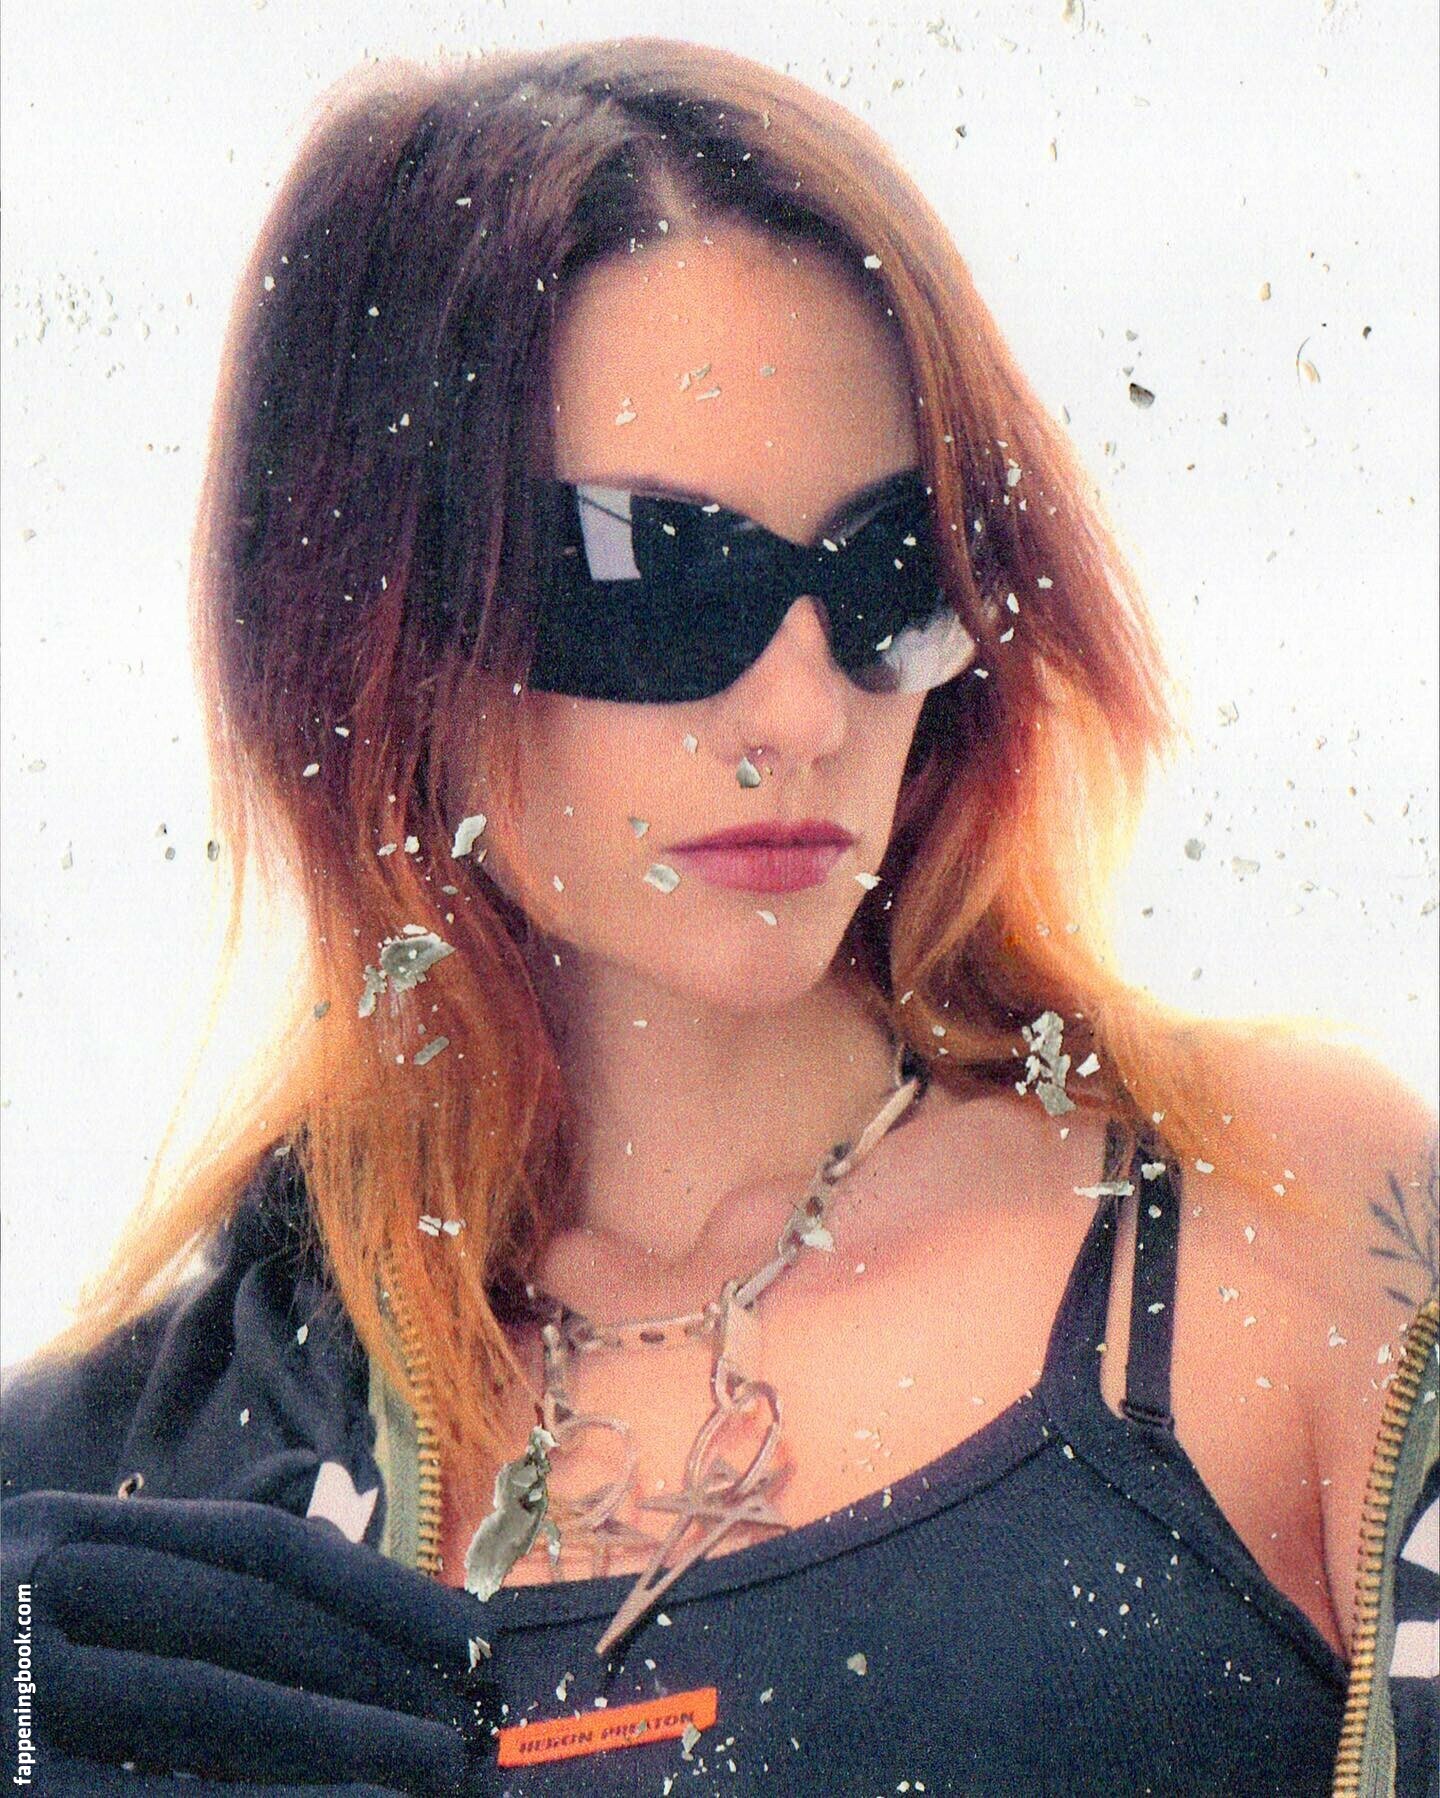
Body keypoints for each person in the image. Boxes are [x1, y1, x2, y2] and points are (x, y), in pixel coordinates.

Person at [2, 37, 1435, 1798]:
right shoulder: (137, 1483)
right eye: (655, 572)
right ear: (369, 618)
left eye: (889, 570)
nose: (802, 710)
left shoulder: (1293, 1219)